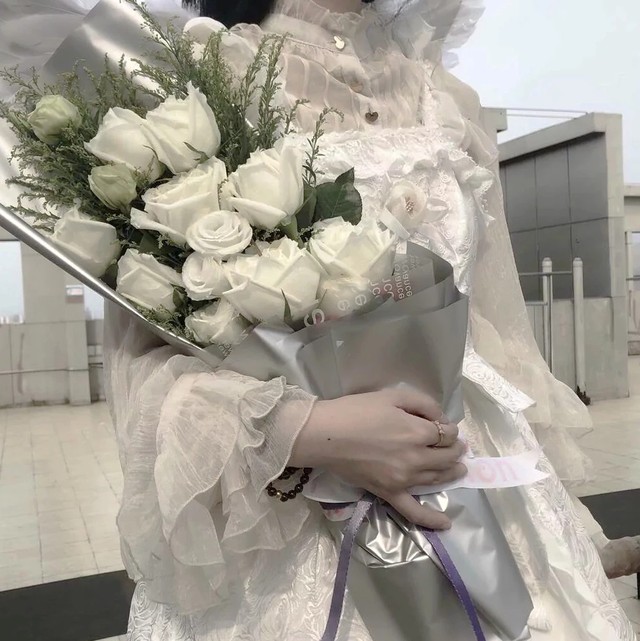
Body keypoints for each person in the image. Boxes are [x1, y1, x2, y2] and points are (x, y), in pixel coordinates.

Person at [0, 0, 635, 639]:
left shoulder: (450, 101)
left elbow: (499, 333)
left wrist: (561, 516)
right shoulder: (193, 71)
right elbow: (146, 359)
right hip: (291, 508)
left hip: (472, 464)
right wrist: (308, 431)